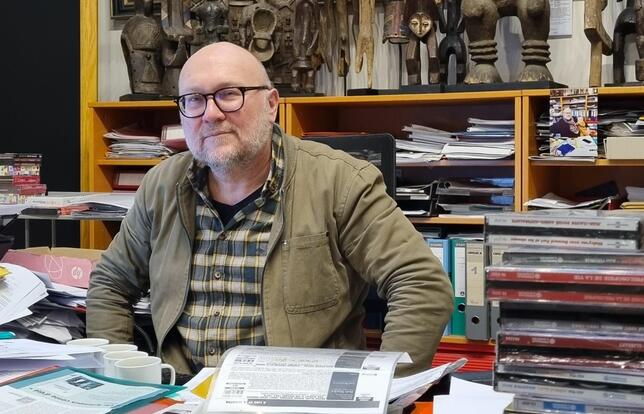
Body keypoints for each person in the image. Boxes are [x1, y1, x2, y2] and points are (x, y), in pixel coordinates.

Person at [86, 42, 453, 378]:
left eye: (229, 94)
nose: (210, 114)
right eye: (194, 100)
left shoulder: (340, 182)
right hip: (183, 393)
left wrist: (384, 388)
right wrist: (120, 379)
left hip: (299, 395)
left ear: (271, 104)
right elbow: (111, 283)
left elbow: (421, 284)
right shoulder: (162, 185)